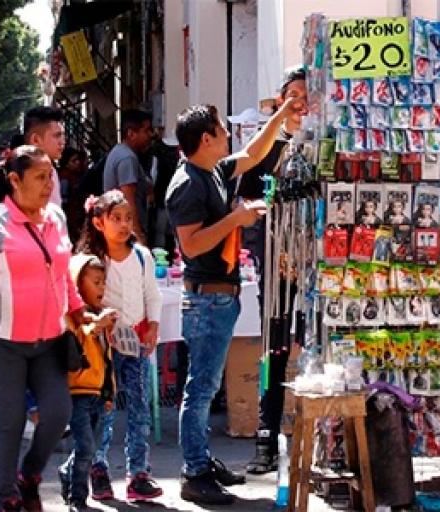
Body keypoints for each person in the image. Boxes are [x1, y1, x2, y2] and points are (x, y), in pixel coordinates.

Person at [167, 95, 302, 505]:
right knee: (201, 390)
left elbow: (252, 153)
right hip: (206, 301)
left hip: (221, 299)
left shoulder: (214, 170)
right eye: (222, 129)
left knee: (205, 388)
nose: (229, 134)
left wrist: (280, 117)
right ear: (206, 139)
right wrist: (236, 219)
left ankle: (202, 462)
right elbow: (190, 246)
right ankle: (194, 471)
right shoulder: (187, 184)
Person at [0, 146, 85, 511]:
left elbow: (62, 270)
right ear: (15, 180)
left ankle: (30, 474)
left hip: (49, 342)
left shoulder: (55, 216)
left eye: (50, 176)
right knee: (10, 420)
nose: (48, 184)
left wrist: (78, 310)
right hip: (0, 341)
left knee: (58, 414)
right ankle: (5, 497)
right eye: (40, 177)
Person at [234, 67, 310, 475]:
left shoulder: (322, 143)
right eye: (291, 94)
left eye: (305, 94)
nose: (298, 101)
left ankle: (323, 436)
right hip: (278, 261)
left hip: (317, 264)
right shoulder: (267, 145)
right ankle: (266, 436)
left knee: (316, 343)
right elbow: (244, 196)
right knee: (275, 349)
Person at [75, 190, 163, 501]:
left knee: (139, 407)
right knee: (105, 407)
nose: (125, 224)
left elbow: (152, 294)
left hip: (136, 342)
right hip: (104, 347)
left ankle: (138, 472)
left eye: (128, 218)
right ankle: (97, 468)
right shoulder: (94, 262)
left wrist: (153, 325)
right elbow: (82, 299)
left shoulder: (142, 256)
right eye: (117, 219)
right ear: (99, 223)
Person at [58, 254, 117, 511]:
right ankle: (78, 498)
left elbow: (106, 360)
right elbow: (76, 345)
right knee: (86, 446)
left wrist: (109, 394)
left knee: (89, 449)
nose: (101, 288)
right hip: (77, 393)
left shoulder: (100, 318)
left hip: (97, 393)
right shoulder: (71, 318)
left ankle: (66, 472)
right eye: (96, 282)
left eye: (104, 282)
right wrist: (94, 325)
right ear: (77, 284)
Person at [102, 109, 154, 246]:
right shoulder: (127, 158)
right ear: (131, 133)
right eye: (146, 130)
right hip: (125, 233)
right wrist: (137, 236)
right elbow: (128, 200)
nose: (151, 135)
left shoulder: (120, 152)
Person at [58, 147, 89, 244]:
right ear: (66, 163)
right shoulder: (65, 177)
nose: (78, 163)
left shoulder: (79, 175)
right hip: (71, 215)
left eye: (78, 160)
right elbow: (64, 199)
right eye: (74, 161)